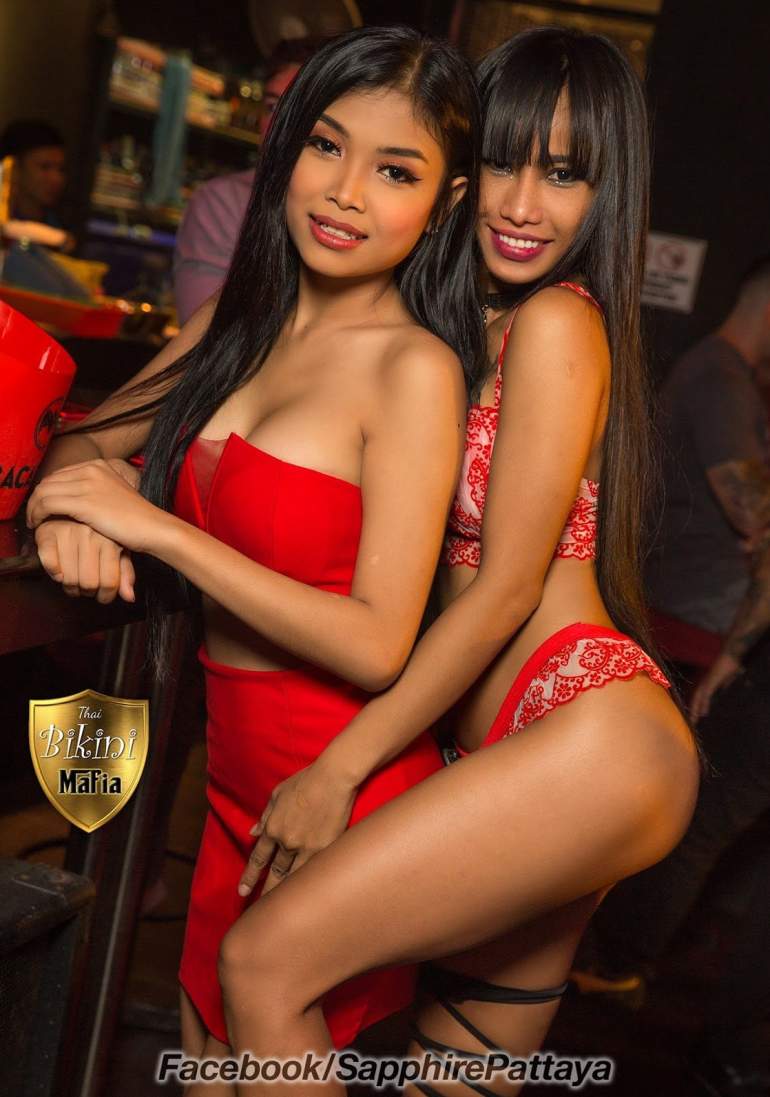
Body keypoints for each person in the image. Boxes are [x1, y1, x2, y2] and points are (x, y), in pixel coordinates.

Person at [155, 26, 698, 1094]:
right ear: (457, 173)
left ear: (608, 195)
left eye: (564, 175)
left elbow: (504, 591)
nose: (522, 205)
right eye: (499, 161)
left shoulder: (556, 322)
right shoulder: (447, 325)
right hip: (503, 755)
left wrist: (340, 768)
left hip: (585, 731)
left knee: (262, 965)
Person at [26, 24, 485, 1078]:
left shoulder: (413, 369)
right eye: (326, 146)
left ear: (445, 202)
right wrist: (70, 516)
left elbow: (377, 642)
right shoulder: (236, 321)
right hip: (230, 783)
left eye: (396, 170)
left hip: (332, 791)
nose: (345, 192)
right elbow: (83, 449)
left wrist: (153, 525)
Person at [173, 37, 324, 323]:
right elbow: (202, 336)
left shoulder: (351, 208)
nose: (279, 125)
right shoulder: (223, 202)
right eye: (272, 107)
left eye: (300, 110)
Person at [0, 119, 68, 228]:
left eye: (61, 169)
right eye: (44, 167)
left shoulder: (58, 229)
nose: (57, 178)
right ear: (14, 169)